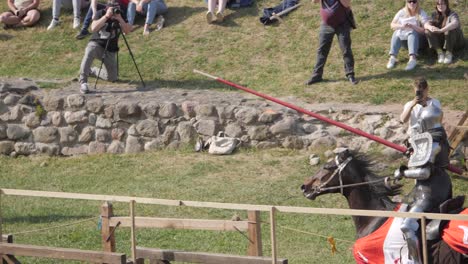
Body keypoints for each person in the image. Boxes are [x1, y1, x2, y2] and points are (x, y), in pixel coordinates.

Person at [395, 76, 452, 264]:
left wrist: (401, 173)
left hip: (429, 144)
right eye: (417, 90)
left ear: (427, 89)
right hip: (417, 145)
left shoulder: (434, 103)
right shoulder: (411, 104)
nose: (420, 93)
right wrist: (413, 104)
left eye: (422, 90)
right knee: (419, 186)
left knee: (426, 180)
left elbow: (437, 119)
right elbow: (403, 119)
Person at [78, 0, 131, 94]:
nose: (115, 10)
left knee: (112, 77)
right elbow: (93, 28)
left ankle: (92, 71)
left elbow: (127, 31)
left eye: (117, 8)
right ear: (107, 8)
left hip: (110, 49)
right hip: (97, 44)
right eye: (113, 8)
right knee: (89, 50)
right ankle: (83, 82)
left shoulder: (121, 15)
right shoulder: (101, 13)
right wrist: (106, 16)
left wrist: (119, 19)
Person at [305, 0, 358, 86]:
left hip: (343, 24)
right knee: (322, 50)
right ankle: (317, 75)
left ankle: (350, 75)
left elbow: (347, 4)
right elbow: (314, 1)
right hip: (326, 24)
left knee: (346, 49)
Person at [387, 0, 430, 71]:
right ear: (406, 2)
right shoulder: (402, 12)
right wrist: (402, 26)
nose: (412, 3)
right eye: (409, 1)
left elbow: (424, 30)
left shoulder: (421, 12)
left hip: (420, 41)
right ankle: (392, 57)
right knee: (396, 32)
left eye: (414, 1)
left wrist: (413, 26)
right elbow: (392, 25)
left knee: (413, 32)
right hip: (406, 42)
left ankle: (412, 59)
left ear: (417, 2)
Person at [425, 0, 465, 64]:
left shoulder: (452, 14)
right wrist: (431, 28)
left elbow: (455, 23)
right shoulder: (434, 14)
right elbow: (426, 24)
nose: (440, 6)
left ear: (446, 4)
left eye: (442, 4)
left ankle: (449, 53)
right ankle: (440, 52)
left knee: (449, 29)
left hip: (455, 42)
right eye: (438, 4)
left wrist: (441, 30)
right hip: (443, 41)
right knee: (427, 31)